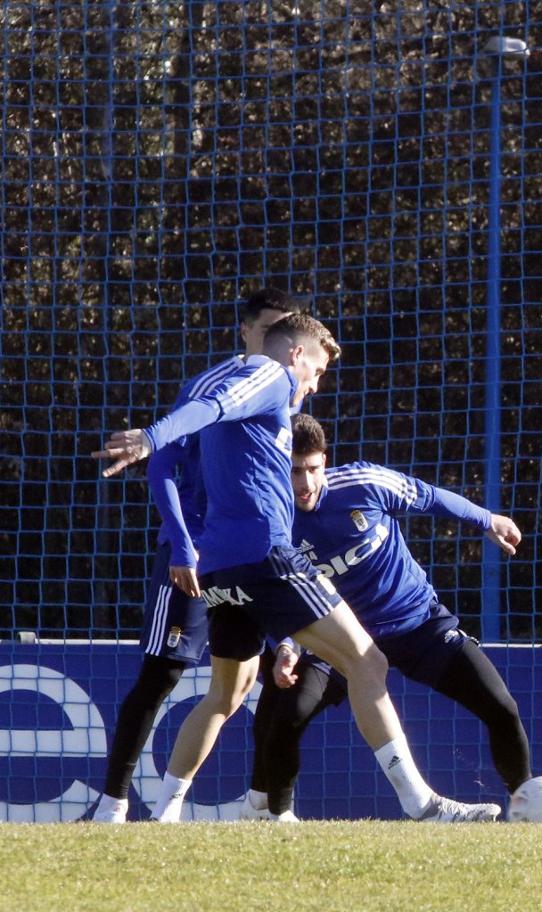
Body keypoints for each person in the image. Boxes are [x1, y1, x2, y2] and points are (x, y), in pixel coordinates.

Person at [93, 312, 500, 823]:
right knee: (367, 661)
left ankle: (166, 812)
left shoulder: (205, 377)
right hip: (265, 557)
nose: (315, 384)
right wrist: (152, 436)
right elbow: (218, 409)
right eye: (319, 370)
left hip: (217, 570)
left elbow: (179, 446)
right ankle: (421, 804)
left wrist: (179, 532)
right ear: (296, 353)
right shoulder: (273, 375)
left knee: (228, 692)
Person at [237, 413, 530, 820]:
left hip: (417, 624)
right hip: (341, 640)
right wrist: (286, 644)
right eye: (293, 471)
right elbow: (280, 594)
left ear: (325, 460)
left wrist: (488, 520)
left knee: (502, 707)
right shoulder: (272, 520)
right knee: (285, 711)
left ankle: (527, 810)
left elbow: (428, 496)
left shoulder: (364, 484)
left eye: (312, 469)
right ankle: (274, 819)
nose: (304, 483)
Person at [91, 288, 298, 823]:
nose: (278, 343)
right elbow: (163, 464)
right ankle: (111, 805)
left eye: (287, 332)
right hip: (196, 556)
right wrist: (184, 543)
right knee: (162, 673)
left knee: (277, 668)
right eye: (269, 330)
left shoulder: (286, 392)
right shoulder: (214, 386)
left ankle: (264, 804)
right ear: (247, 332)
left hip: (254, 557)